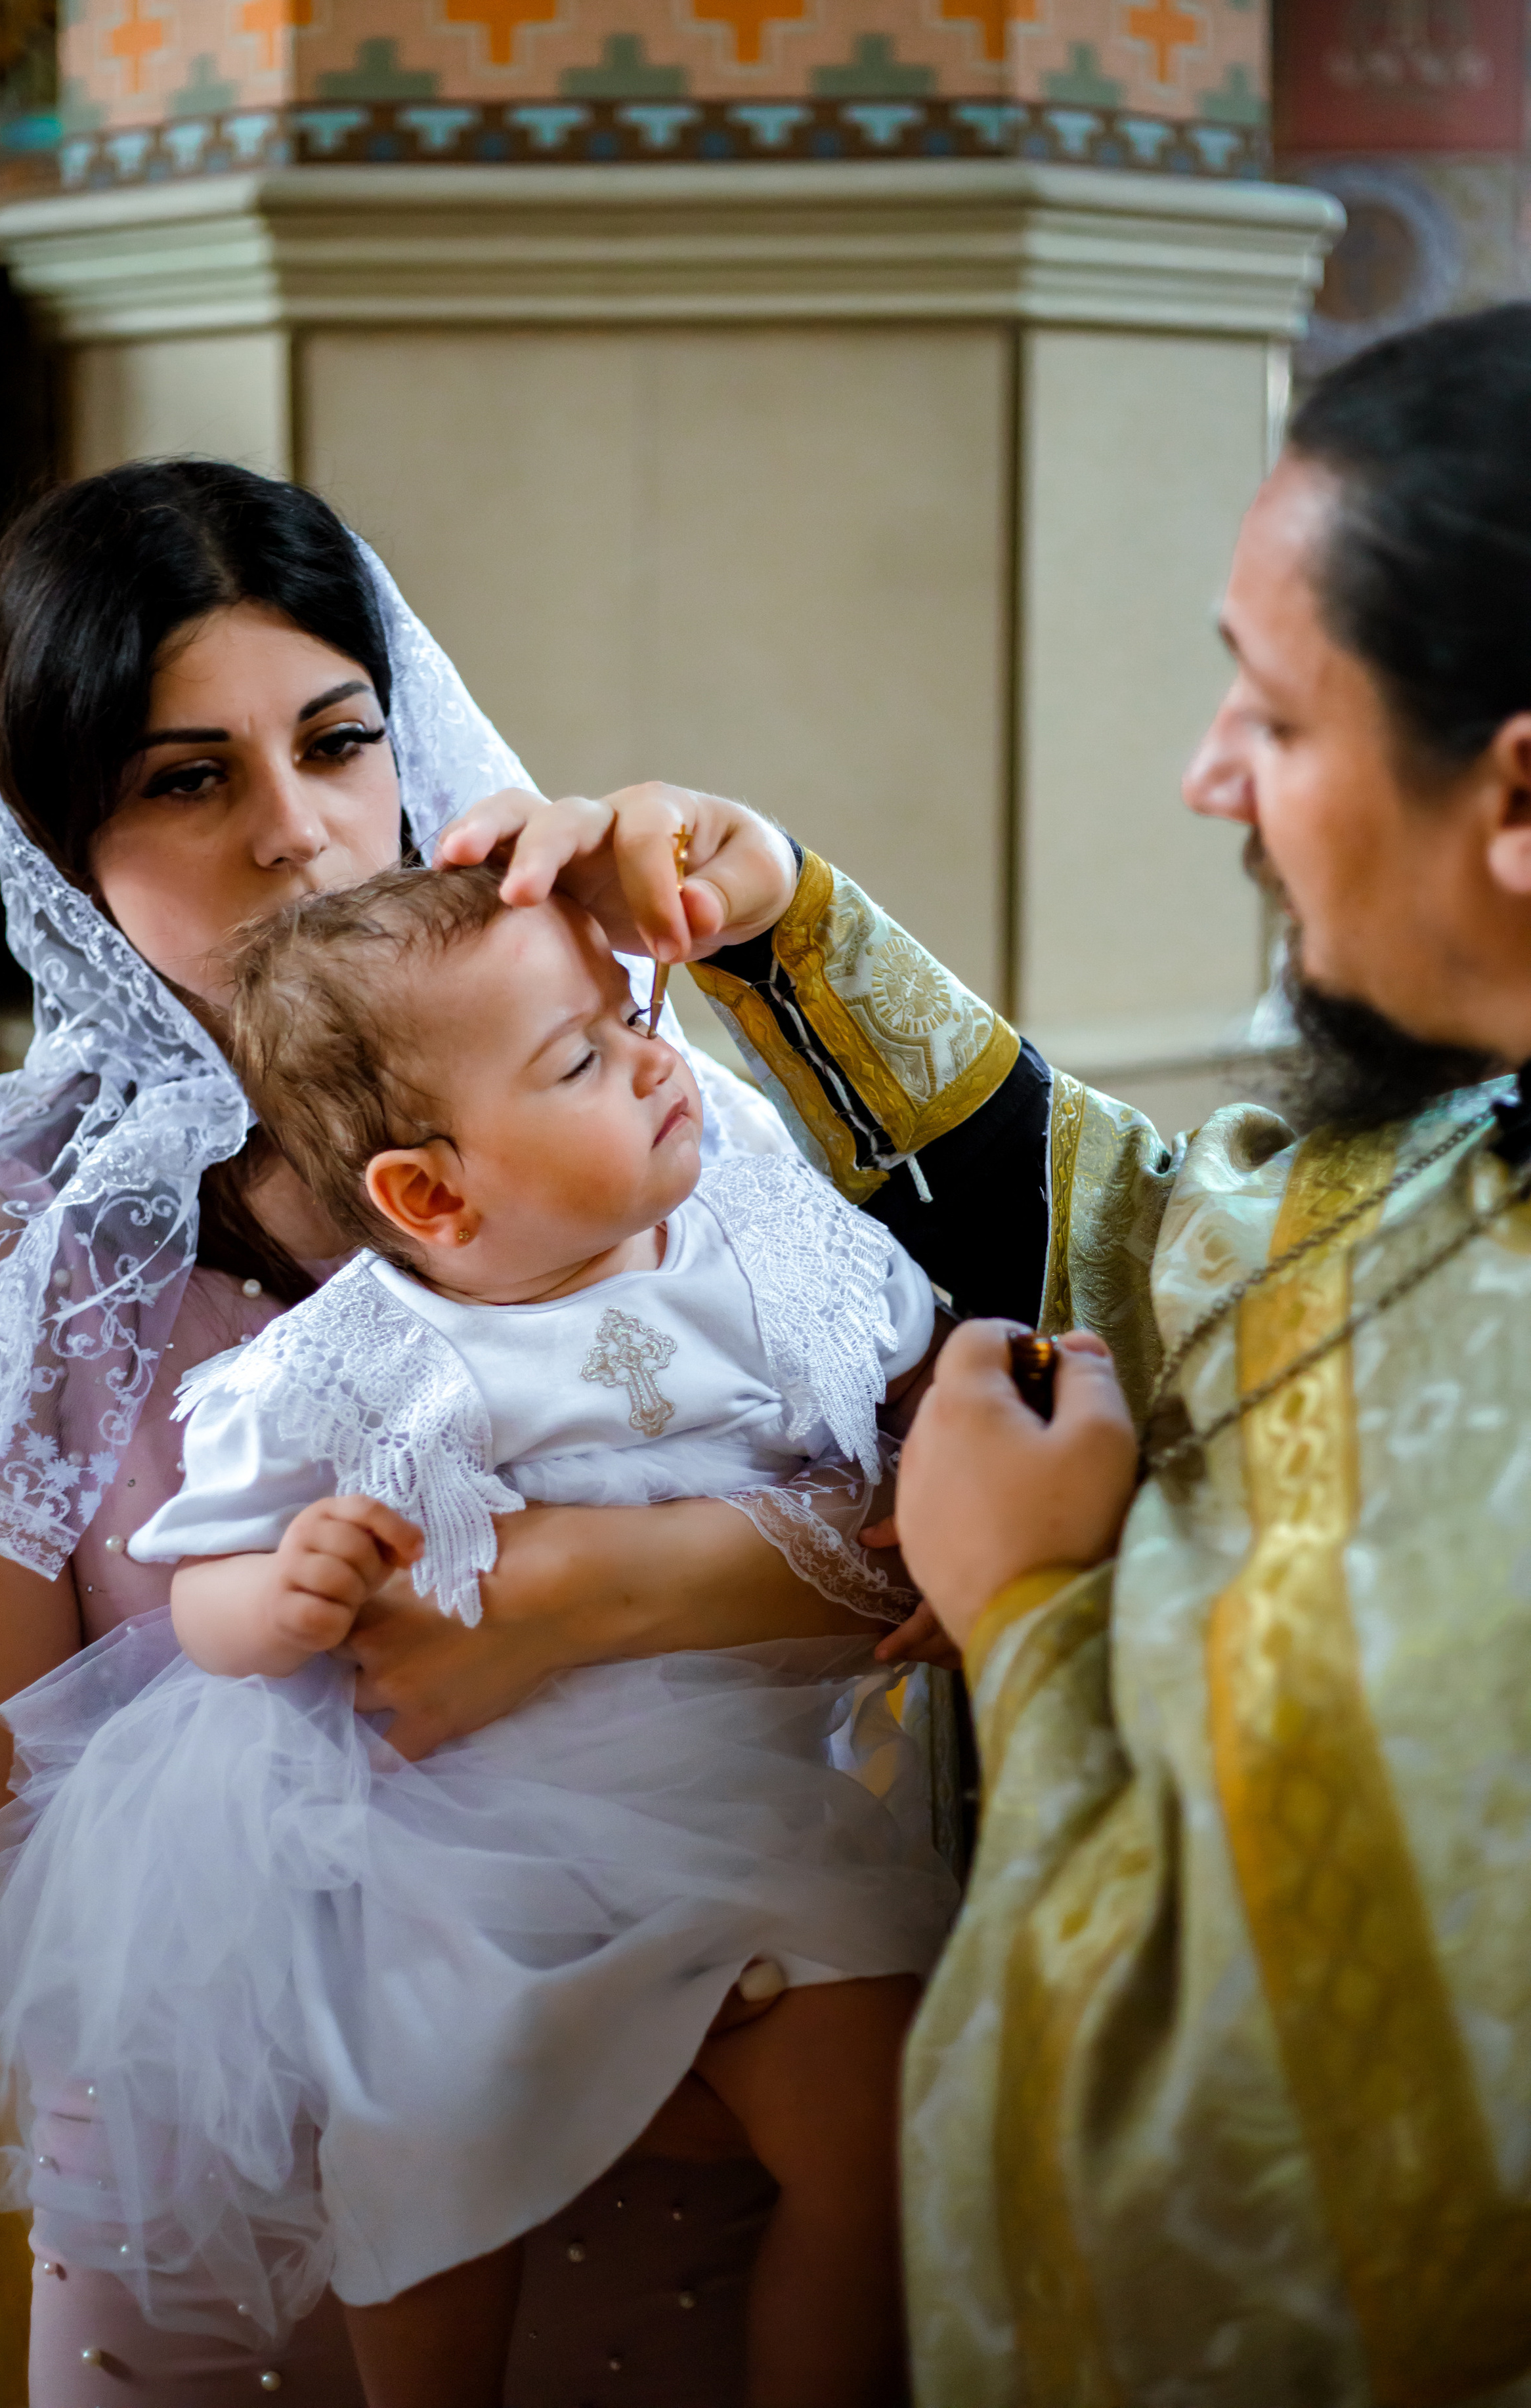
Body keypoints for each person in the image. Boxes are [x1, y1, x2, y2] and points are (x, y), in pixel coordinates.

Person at [436, 303, 1531, 2404]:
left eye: (1280, 722)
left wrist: (1028, 1606)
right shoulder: (1450, 1140)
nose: (1208, 772)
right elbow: (1169, 1238)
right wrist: (778, 926)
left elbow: (1305, 2167)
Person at [0, 459, 932, 2408]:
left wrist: (593, 1594)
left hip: (730, 2094)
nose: (306, 835)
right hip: (260, 2178)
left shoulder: (631, 1107)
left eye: (341, 740)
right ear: (62, 833)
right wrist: (458, 2048)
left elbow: (928, 1544)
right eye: (190, 780)